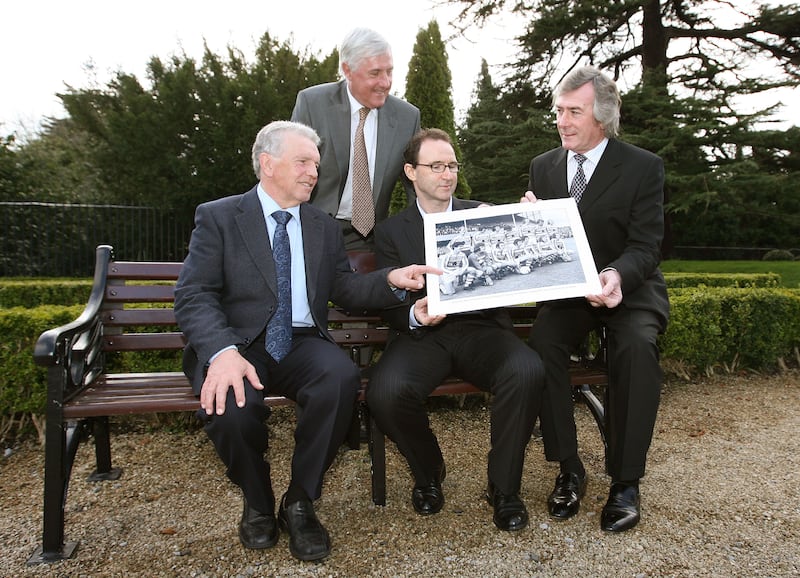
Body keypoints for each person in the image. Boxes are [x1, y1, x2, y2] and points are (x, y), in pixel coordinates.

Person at [174, 121, 437, 561]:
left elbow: (344, 287)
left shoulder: (321, 226)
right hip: (238, 344)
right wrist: (221, 353)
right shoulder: (219, 216)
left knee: (340, 377)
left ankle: (299, 502)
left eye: (316, 164)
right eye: (302, 162)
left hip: (299, 341)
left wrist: (390, 279)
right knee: (231, 409)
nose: (313, 172)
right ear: (267, 163)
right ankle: (258, 501)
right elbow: (193, 294)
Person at [366, 128, 545, 532]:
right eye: (436, 166)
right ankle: (429, 472)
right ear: (411, 172)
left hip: (482, 330)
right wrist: (414, 314)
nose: (447, 174)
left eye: (451, 165)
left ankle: (504, 488)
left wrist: (528, 222)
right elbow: (387, 301)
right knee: (385, 393)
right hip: (423, 335)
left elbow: (517, 259)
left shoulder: (479, 214)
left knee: (527, 370)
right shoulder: (391, 231)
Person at [523, 65, 670, 532]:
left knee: (636, 348)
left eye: (573, 112)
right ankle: (569, 468)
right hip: (570, 293)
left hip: (629, 287)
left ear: (602, 117)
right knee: (542, 344)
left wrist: (615, 275)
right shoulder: (544, 167)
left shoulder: (643, 166)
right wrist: (530, 224)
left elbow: (646, 245)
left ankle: (626, 481)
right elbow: (544, 247)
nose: (562, 122)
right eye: (558, 111)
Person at [291, 27, 421, 250]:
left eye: (389, 71)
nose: (385, 82)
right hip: (312, 232)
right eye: (375, 73)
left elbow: (419, 184)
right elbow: (291, 170)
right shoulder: (312, 104)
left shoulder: (407, 117)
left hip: (373, 238)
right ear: (347, 70)